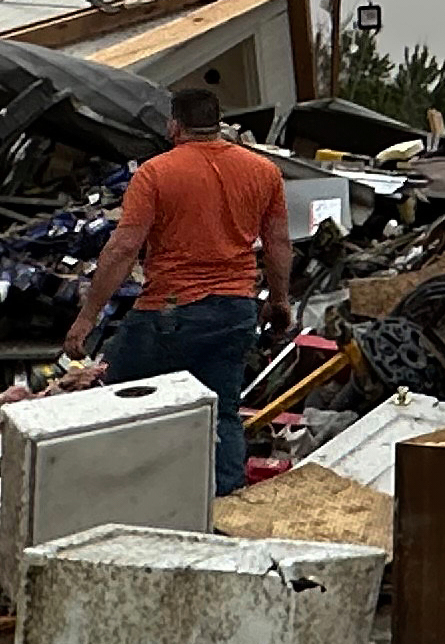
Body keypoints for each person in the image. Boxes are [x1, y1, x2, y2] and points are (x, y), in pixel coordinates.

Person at [59, 83, 288, 500]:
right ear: (217, 123)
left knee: (117, 398)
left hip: (170, 312)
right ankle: (229, 508)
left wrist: (87, 316)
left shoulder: (156, 172)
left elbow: (124, 247)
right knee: (221, 412)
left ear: (174, 125)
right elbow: (277, 245)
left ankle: (107, 496)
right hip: (235, 310)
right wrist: (279, 300)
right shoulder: (263, 171)